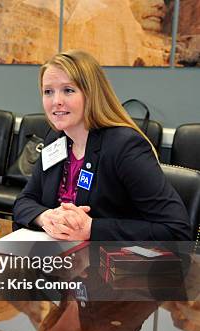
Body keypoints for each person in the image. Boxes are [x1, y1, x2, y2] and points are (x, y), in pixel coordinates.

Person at [13, 49, 191, 241]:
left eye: (68, 90)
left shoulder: (125, 146)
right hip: (59, 259)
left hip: (116, 265)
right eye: (48, 91)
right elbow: (24, 201)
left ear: (91, 95)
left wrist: (92, 228)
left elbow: (177, 230)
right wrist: (45, 217)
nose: (56, 101)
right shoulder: (55, 139)